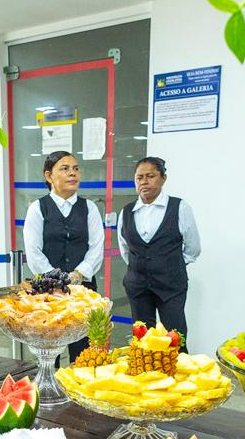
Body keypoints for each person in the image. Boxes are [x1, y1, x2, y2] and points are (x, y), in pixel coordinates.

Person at [22, 150, 106, 361]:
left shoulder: (90, 208)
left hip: (83, 290)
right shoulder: (38, 208)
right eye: (65, 169)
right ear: (49, 176)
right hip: (47, 292)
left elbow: (97, 247)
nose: (73, 173)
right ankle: (51, 390)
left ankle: (80, 392)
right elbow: (33, 250)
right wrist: (55, 279)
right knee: (50, 350)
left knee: (84, 352)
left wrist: (79, 274)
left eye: (76, 169)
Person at [117, 156, 200, 343]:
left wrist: (171, 264)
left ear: (163, 178)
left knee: (175, 337)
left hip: (171, 284)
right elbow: (125, 248)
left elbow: (193, 247)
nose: (144, 182)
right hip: (137, 285)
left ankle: (178, 370)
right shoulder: (127, 211)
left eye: (150, 176)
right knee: (143, 339)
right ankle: (148, 372)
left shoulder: (179, 207)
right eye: (139, 177)